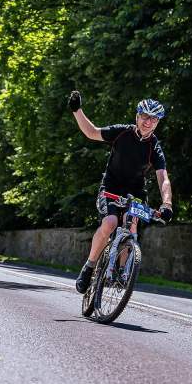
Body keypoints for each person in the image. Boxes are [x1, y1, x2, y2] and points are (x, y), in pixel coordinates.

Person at [68, 90, 173, 294]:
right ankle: (89, 266)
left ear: (158, 122)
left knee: (131, 224)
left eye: (153, 119)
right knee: (110, 223)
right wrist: (77, 110)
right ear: (137, 116)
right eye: (144, 117)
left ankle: (121, 272)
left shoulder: (154, 147)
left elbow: (163, 177)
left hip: (136, 194)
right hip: (111, 188)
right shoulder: (122, 132)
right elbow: (91, 132)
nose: (148, 122)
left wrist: (166, 204)